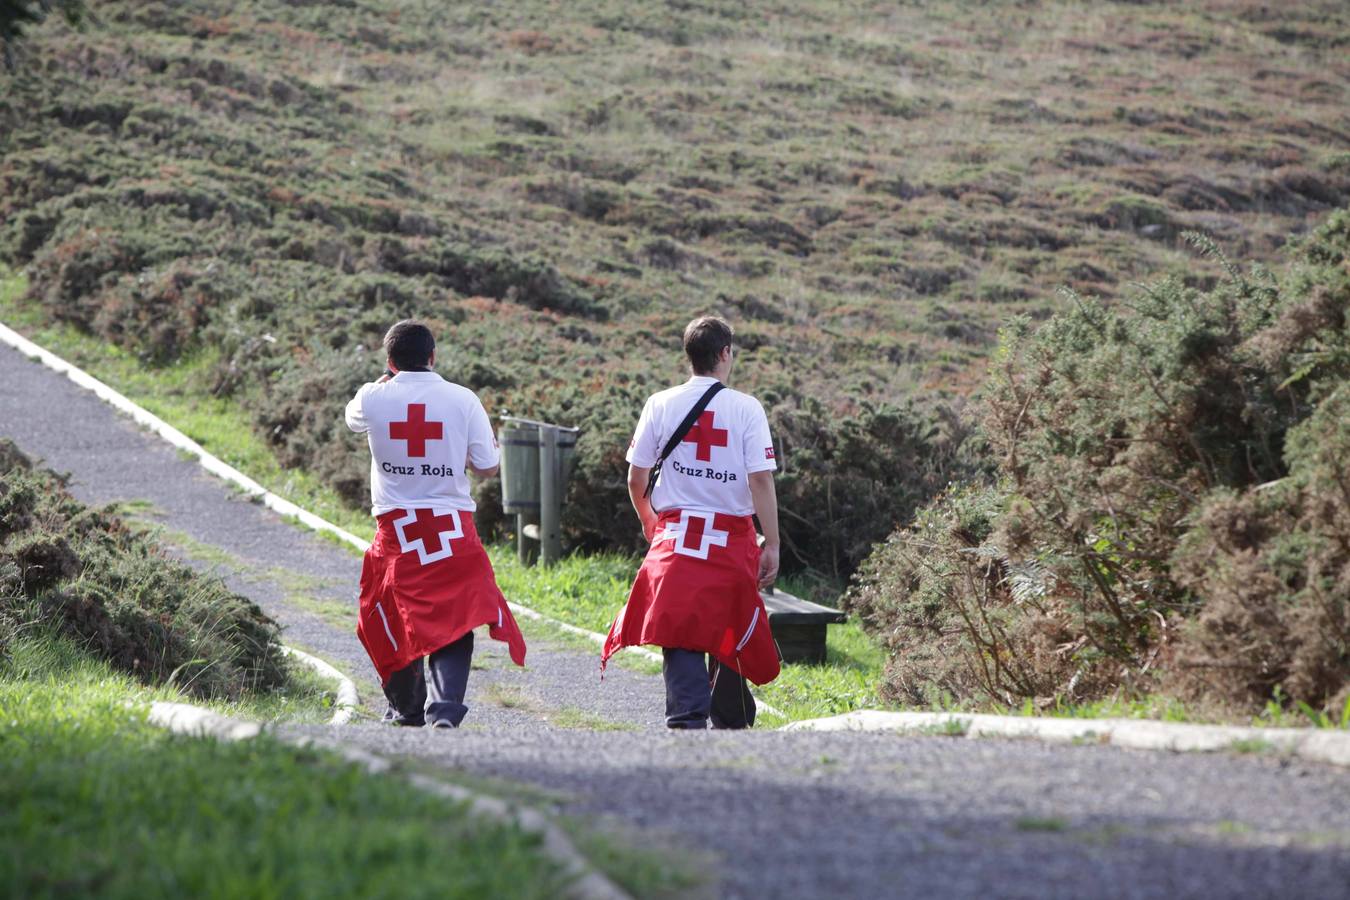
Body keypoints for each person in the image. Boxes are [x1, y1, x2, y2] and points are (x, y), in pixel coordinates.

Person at [345, 319, 526, 728]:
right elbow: (487, 467)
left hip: (398, 534)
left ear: (389, 361)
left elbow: (353, 421)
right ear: (433, 357)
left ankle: (406, 709)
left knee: (386, 618)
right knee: (456, 618)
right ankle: (445, 711)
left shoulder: (372, 397)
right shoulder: (463, 399)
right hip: (453, 530)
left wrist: (385, 381)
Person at [602, 315, 781, 729]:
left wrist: (648, 518)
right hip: (730, 539)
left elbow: (636, 476)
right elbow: (760, 479)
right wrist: (771, 542)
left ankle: (685, 718)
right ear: (724, 354)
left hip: (675, 536)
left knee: (678, 624)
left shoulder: (659, 403)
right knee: (731, 622)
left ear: (689, 356)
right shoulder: (746, 408)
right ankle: (732, 720)